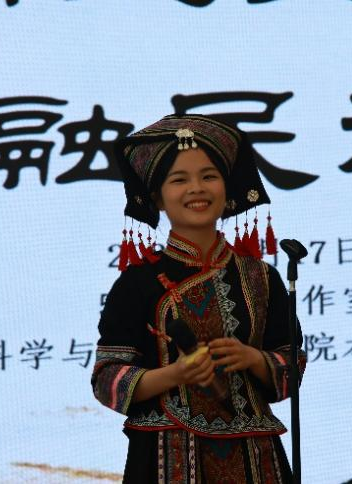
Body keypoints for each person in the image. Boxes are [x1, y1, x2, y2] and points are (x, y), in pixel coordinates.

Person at [91, 114, 306, 483]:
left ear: (227, 189)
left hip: (256, 453)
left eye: (209, 176)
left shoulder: (263, 277)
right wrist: (174, 374)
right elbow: (107, 378)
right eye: (179, 180)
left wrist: (254, 359)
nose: (197, 189)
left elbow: (291, 363)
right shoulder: (137, 282)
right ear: (158, 198)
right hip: (164, 453)